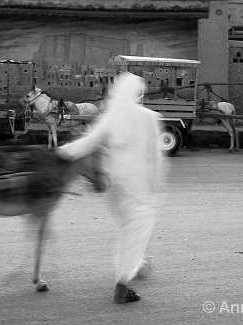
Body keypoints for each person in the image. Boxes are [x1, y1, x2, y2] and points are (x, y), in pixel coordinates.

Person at [56, 72, 166, 304]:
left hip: (114, 186)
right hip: (139, 187)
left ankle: (136, 265)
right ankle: (123, 284)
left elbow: (89, 141)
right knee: (137, 230)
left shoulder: (111, 116)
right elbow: (154, 155)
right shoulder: (148, 117)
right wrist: (156, 184)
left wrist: (61, 153)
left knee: (127, 229)